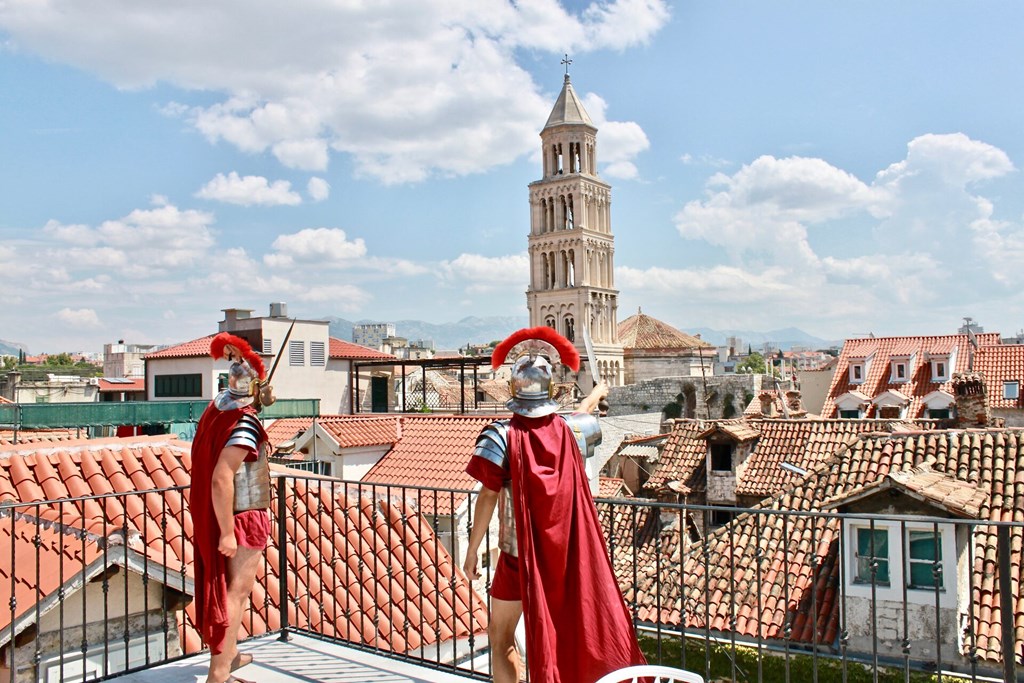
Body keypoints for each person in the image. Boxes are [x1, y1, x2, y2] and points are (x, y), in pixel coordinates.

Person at [463, 327, 646, 683]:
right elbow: (580, 417)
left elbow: (487, 496)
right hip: (565, 557)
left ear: (513, 390)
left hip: (518, 556)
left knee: (500, 638)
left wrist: (472, 552)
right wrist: (596, 395)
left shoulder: (500, 437)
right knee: (565, 630)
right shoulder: (569, 432)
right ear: (549, 391)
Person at [191, 332, 275, 683]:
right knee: (236, 592)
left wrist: (261, 393)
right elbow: (222, 478)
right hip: (242, 517)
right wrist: (227, 532)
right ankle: (219, 673)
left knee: (229, 588)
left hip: (223, 513)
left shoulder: (218, 407)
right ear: (253, 389)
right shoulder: (244, 423)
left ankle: (232, 655)